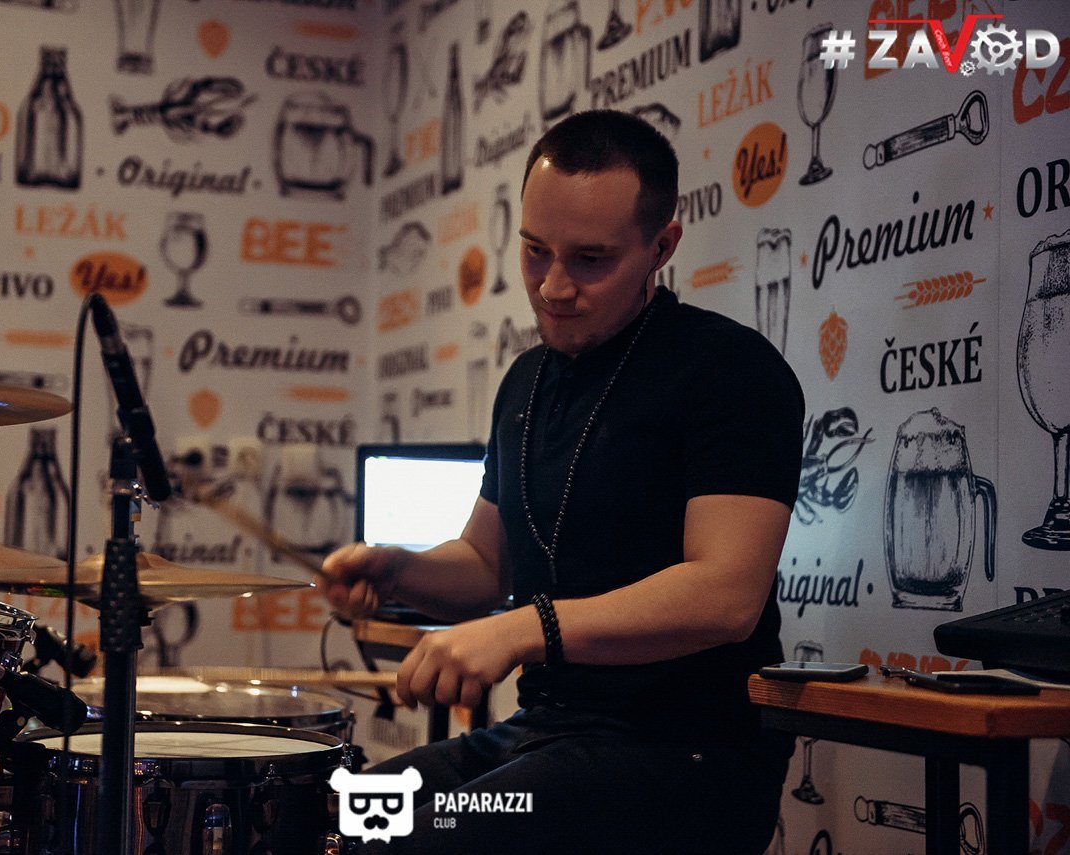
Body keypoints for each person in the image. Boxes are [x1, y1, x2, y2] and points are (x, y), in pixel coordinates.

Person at [320, 109, 804, 854]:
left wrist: (522, 630)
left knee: (421, 839)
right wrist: (396, 570)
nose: (552, 286)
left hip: (685, 754)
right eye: (535, 251)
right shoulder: (525, 381)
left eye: (589, 259)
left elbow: (726, 595)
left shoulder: (729, 369)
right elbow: (486, 565)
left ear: (662, 246)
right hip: (543, 735)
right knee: (344, 820)